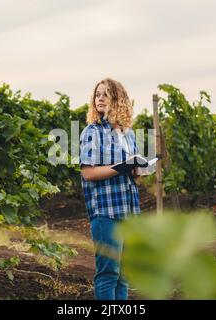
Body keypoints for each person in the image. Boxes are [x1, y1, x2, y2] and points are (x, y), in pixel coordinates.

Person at [79, 77, 141, 300]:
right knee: (108, 273)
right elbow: (88, 172)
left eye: (106, 93)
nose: (100, 98)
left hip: (129, 211)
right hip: (106, 211)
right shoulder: (92, 132)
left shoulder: (128, 134)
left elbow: (127, 172)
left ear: (118, 99)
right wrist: (123, 166)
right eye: (97, 94)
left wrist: (136, 170)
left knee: (124, 274)